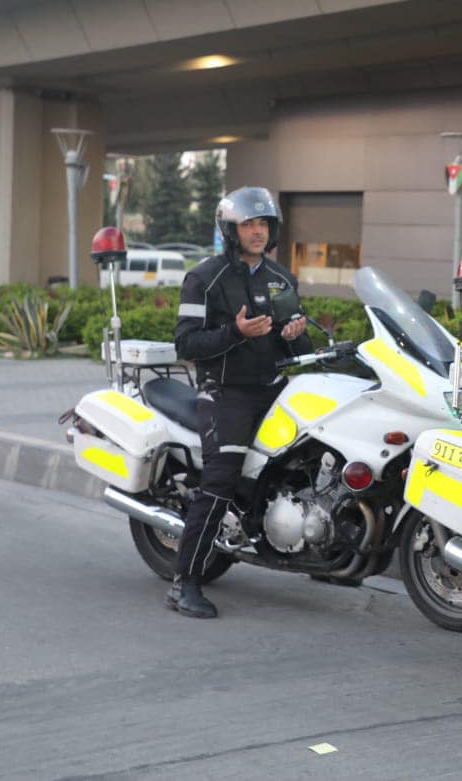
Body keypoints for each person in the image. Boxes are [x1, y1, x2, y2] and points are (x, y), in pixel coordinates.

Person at [166, 186, 312, 618]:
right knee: (221, 478)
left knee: (308, 461)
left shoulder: (281, 278)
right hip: (225, 391)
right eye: (248, 224)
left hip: (273, 389)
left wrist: (295, 336)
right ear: (231, 230)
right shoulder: (204, 278)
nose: (257, 231)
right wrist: (236, 332)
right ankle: (184, 583)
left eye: (263, 223)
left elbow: (297, 348)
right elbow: (185, 343)